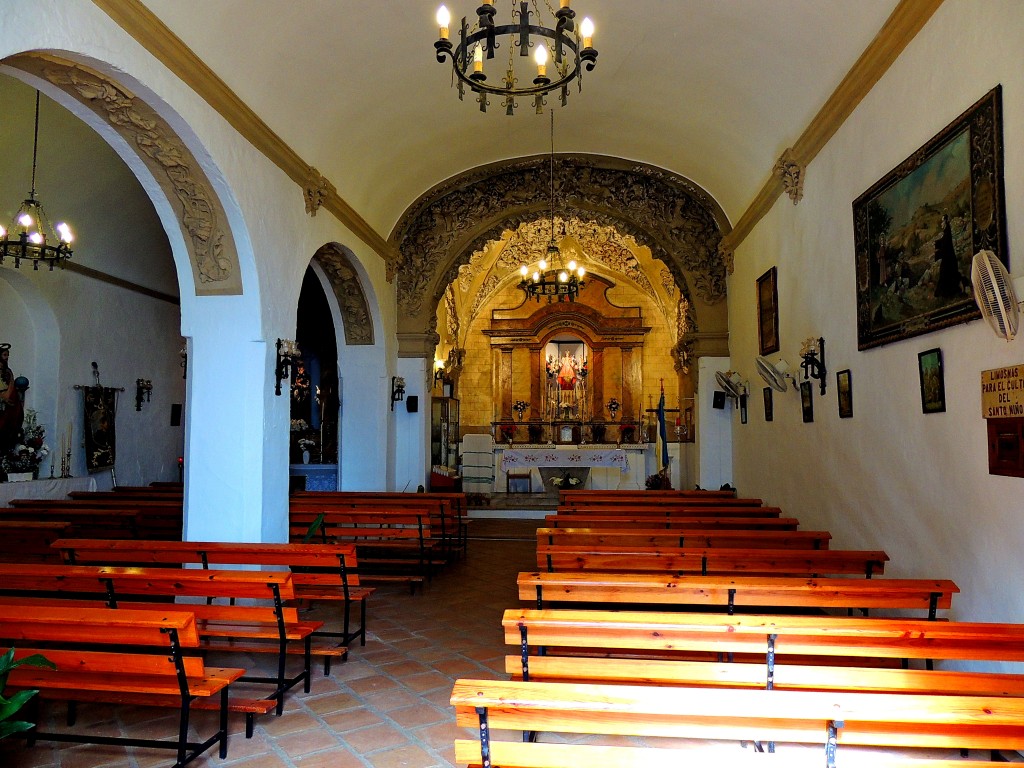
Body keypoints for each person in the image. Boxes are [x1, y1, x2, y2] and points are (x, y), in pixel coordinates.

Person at [0, 344, 26, 453]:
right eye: (4, 355)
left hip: (8, 403)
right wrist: (2, 397)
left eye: (8, 355)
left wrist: (8, 396)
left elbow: (11, 385)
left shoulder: (8, 371)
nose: (7, 357)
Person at [933, 214, 964, 299]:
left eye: (942, 221)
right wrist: (937, 242)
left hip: (949, 259)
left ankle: (946, 293)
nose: (941, 224)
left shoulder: (947, 231)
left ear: (946, 222)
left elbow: (946, 245)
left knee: (945, 274)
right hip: (948, 258)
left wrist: (938, 251)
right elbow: (943, 241)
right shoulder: (946, 231)